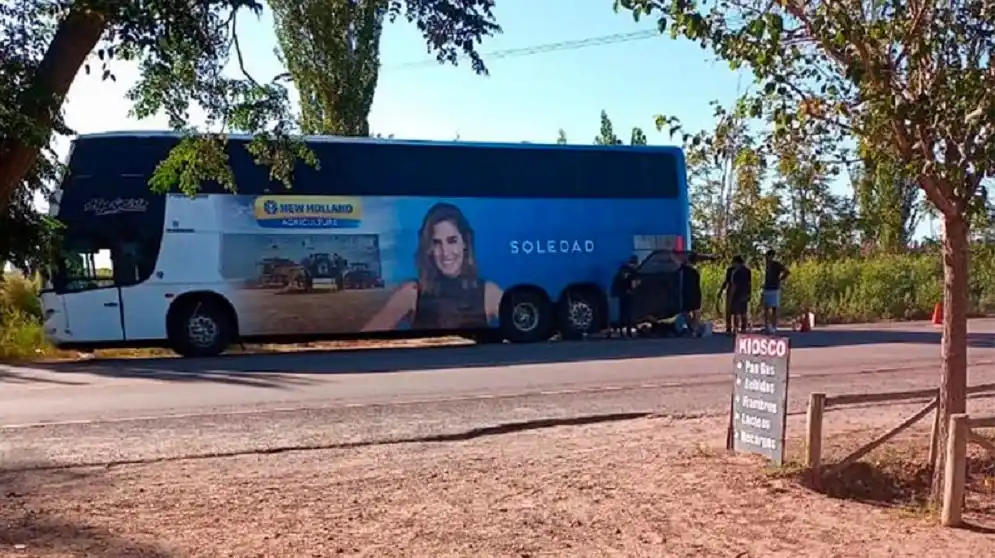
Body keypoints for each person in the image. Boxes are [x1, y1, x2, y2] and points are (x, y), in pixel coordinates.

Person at [362, 203, 503, 331]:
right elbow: (363, 340)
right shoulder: (411, 293)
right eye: (437, 243)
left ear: (465, 242)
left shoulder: (489, 293)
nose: (445, 252)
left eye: (452, 241)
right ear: (428, 248)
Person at [718, 255, 752, 334]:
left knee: (742, 311)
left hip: (741, 292)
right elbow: (726, 281)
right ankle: (729, 328)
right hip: (732, 291)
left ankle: (743, 328)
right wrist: (721, 290)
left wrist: (749, 293)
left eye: (734, 262)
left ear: (738, 263)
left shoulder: (746, 271)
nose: (732, 264)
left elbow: (749, 283)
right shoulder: (730, 270)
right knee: (730, 310)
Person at [610, 255, 640, 338]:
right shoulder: (633, 271)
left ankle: (620, 331)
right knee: (629, 313)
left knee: (622, 312)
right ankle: (629, 331)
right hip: (628, 293)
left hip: (620, 294)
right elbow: (633, 284)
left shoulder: (622, 270)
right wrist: (637, 284)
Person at [761, 249, 790, 334]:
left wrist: (779, 280)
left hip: (774, 288)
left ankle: (774, 326)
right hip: (767, 288)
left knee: (774, 308)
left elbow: (787, 271)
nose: (766, 258)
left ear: (771, 256)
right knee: (766, 307)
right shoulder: (767, 265)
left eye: (767, 256)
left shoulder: (776, 264)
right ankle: (767, 326)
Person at [679, 252, 703, 336]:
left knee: (685, 311)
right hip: (695, 293)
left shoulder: (683, 270)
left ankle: (692, 328)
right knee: (695, 312)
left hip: (686, 293)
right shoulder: (695, 271)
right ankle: (694, 328)